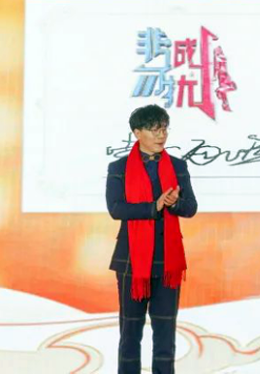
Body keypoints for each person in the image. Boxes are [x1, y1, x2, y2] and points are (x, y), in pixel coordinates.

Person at [106, 104, 198, 374]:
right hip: (131, 263)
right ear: (137, 132)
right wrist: (153, 207)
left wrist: (174, 203)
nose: (161, 135)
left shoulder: (178, 166)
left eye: (164, 129)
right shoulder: (119, 168)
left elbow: (190, 207)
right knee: (130, 335)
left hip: (168, 262)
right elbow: (116, 209)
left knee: (165, 336)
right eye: (154, 129)